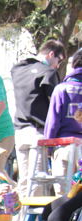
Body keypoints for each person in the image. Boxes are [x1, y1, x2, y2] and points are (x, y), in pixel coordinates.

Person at [12, 40, 64, 196]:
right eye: (59, 60)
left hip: (20, 130)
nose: (58, 65)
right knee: (36, 182)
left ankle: (21, 213)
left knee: (23, 181)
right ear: (51, 54)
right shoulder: (48, 73)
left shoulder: (18, 69)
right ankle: (34, 214)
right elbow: (55, 108)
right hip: (38, 132)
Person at [43, 48, 82, 196]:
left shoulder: (61, 89)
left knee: (62, 196)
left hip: (64, 147)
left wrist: (48, 149)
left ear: (72, 65)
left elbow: (53, 122)